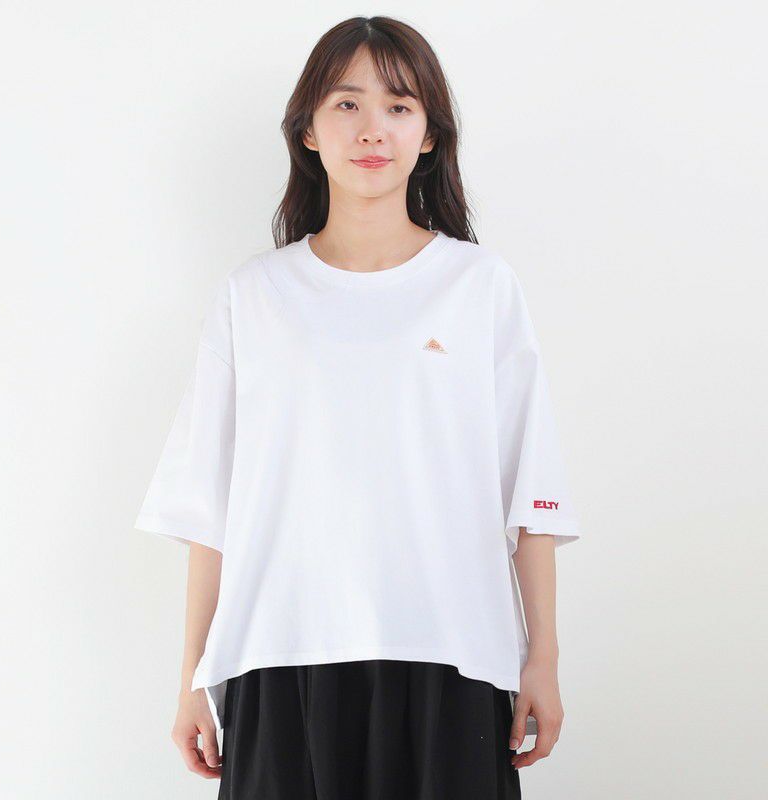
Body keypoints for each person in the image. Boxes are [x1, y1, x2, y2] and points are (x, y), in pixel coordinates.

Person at [134, 15, 581, 800]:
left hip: (453, 653)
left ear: (430, 134)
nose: (373, 128)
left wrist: (541, 658)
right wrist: (193, 678)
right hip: (281, 654)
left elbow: (530, 490)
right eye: (347, 104)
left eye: (399, 106)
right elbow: (211, 508)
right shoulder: (254, 296)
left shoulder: (480, 287)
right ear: (308, 130)